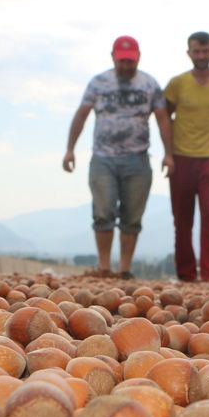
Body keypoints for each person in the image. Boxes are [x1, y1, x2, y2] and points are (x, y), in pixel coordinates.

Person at [63, 35, 174, 279]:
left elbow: (163, 118)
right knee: (103, 210)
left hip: (138, 158)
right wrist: (70, 149)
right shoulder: (98, 83)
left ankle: (124, 268)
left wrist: (169, 154)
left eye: (130, 61)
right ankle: (104, 266)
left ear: (138, 58)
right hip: (103, 157)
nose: (126, 66)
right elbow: (81, 115)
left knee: (132, 215)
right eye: (122, 61)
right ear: (113, 57)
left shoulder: (149, 84)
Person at [165, 31, 209, 281]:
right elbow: (165, 117)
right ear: (189, 53)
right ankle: (186, 275)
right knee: (182, 220)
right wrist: (170, 152)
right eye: (196, 51)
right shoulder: (177, 84)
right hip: (181, 156)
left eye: (205, 51)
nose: (201, 56)